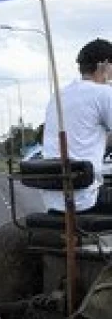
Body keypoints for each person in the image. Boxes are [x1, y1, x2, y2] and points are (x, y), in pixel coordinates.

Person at [42, 38, 112, 214]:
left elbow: (81, 137)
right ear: (104, 65)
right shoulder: (104, 93)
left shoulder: (57, 97)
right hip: (85, 199)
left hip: (54, 199)